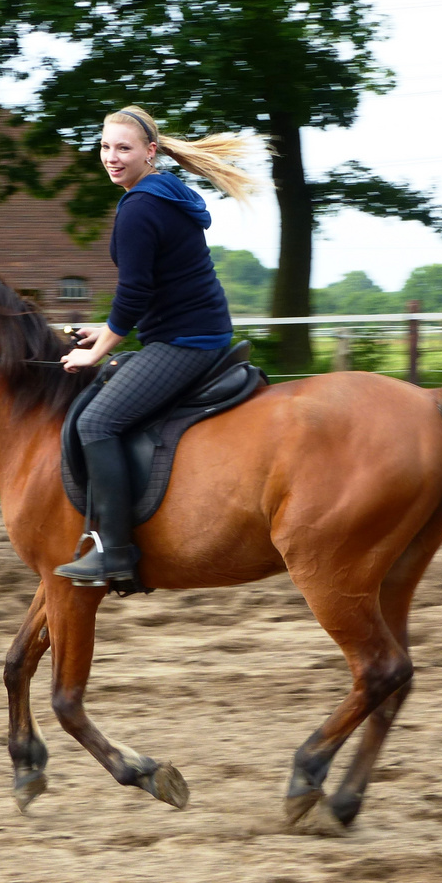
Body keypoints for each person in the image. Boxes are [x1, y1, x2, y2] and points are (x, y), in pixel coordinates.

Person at [55, 106, 262, 586]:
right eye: (105, 147)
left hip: (185, 341)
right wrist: (105, 329)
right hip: (197, 330)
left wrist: (98, 349)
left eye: (123, 148)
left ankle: (117, 553)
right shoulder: (165, 191)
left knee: (97, 422)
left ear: (150, 152)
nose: (111, 157)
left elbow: (135, 292)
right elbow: (151, 288)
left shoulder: (140, 206)